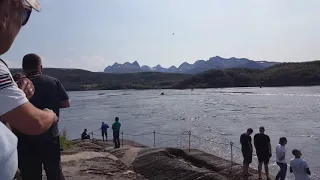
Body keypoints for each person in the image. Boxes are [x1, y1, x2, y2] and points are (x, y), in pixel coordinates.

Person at [0, 1, 58, 180]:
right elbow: (36, 122)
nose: (22, 26)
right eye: (25, 15)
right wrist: (50, 115)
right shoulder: (54, 82)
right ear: (4, 14)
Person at [15, 53, 70, 180]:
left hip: (25, 138)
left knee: (30, 174)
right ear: (40, 67)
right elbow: (66, 103)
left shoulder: (18, 86)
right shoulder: (53, 82)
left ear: (24, 68)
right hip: (50, 135)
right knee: (54, 172)